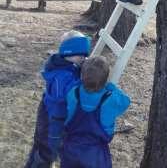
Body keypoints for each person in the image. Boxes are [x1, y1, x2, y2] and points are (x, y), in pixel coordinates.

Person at [24, 30, 91, 168]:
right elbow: (65, 94)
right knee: (45, 151)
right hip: (52, 119)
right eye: (81, 55)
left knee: (41, 147)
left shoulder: (66, 65)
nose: (84, 58)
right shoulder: (61, 75)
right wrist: (84, 80)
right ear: (69, 52)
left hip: (52, 114)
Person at [60, 56, 130, 168]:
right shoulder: (110, 99)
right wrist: (112, 87)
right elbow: (126, 101)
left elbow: (66, 116)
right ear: (105, 80)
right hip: (96, 151)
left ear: (82, 76)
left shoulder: (74, 92)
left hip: (71, 147)